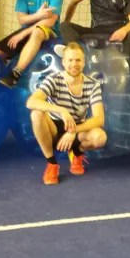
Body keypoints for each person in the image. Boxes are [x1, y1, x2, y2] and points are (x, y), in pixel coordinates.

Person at [25, 42, 107, 185]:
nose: (74, 64)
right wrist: (61, 110)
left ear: (83, 62)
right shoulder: (54, 79)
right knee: (36, 114)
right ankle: (52, 164)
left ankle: (76, 153)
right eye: (70, 60)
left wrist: (73, 131)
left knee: (99, 137)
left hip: (77, 128)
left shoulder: (92, 84)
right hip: (54, 127)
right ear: (63, 62)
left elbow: (99, 119)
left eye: (78, 60)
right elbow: (31, 102)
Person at [0, 0, 63, 88]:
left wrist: (22, 33)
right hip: (27, 30)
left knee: (38, 32)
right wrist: (38, 15)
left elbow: (49, 22)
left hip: (48, 31)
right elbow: (22, 19)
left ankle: (16, 74)